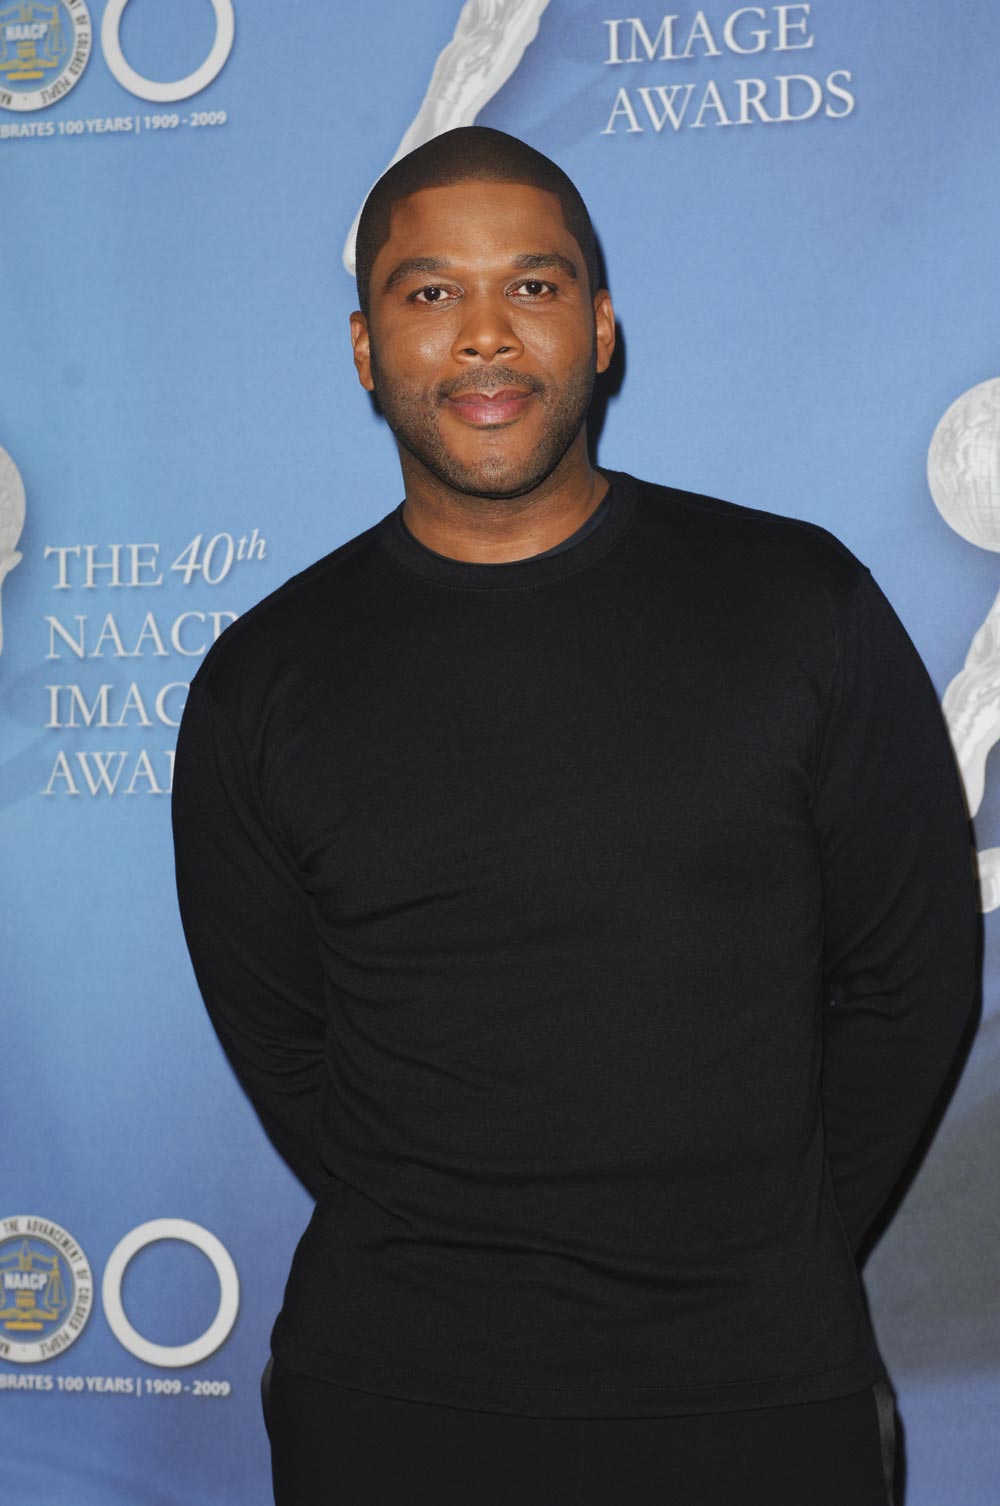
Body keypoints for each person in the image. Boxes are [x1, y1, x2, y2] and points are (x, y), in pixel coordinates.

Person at [171, 126, 980, 1504]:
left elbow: (913, 982)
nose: (485, 334)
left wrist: (757, 1258)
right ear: (365, 347)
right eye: (432, 292)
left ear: (599, 329)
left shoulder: (802, 605)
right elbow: (288, 1044)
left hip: (757, 1393)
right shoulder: (264, 679)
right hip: (392, 1401)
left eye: (533, 287)